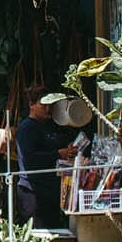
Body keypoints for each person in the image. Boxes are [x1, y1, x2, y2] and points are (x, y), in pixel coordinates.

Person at [14, 83, 77, 229]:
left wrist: (66, 151)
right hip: (33, 192)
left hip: (50, 190)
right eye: (43, 106)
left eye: (50, 106)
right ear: (31, 105)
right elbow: (29, 159)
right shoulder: (27, 128)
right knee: (39, 235)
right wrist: (58, 154)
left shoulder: (48, 125)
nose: (48, 110)